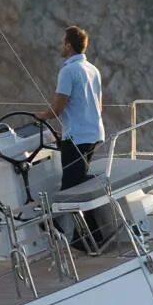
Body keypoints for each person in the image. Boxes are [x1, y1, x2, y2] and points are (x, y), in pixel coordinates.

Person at [41, 25, 104, 190]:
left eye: (63, 42)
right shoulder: (93, 69)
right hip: (94, 133)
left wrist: (40, 116)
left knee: (70, 188)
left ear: (68, 45)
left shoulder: (68, 71)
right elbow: (99, 106)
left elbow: (57, 109)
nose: (61, 46)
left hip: (77, 138)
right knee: (80, 182)